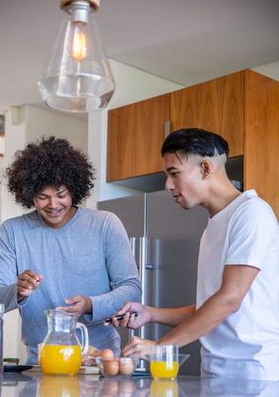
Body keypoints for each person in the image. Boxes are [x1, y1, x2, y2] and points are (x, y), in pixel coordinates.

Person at [112, 128, 279, 381]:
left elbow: (229, 300)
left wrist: (159, 348)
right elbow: (208, 306)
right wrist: (151, 313)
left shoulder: (251, 214)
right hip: (215, 371)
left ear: (205, 168)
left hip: (252, 375)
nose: (168, 185)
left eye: (174, 173)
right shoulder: (213, 225)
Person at [0, 136, 141, 364]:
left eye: (61, 195)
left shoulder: (105, 224)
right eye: (42, 197)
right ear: (28, 195)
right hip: (41, 363)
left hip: (98, 362)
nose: (54, 205)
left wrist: (90, 305)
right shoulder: (12, 232)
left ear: (74, 189)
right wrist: (16, 290)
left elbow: (132, 289)